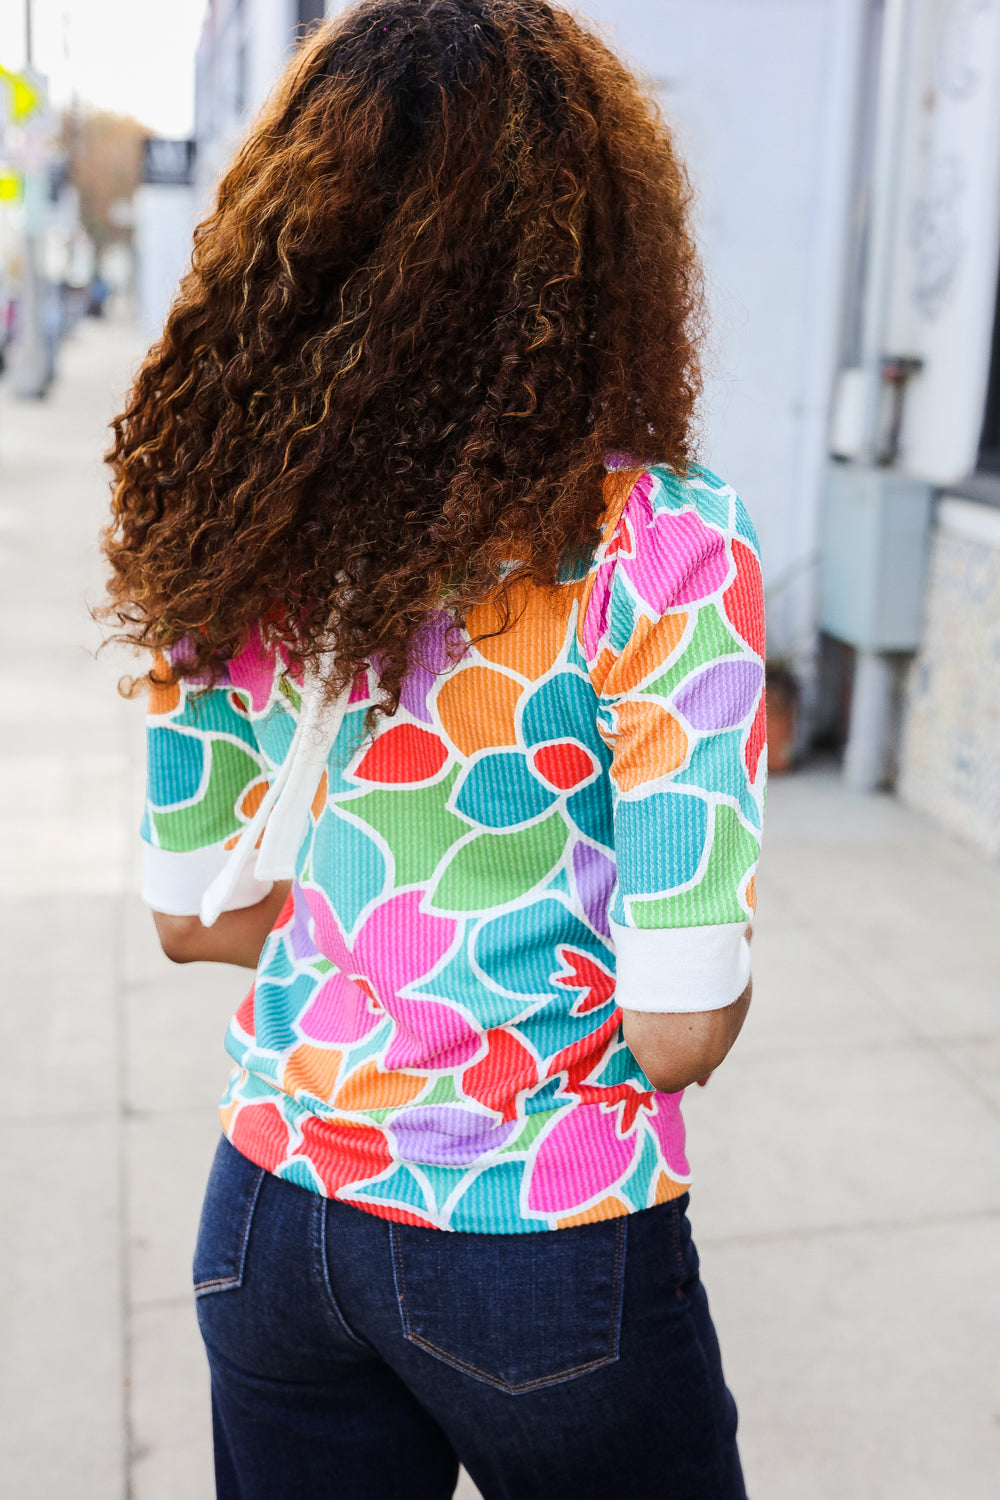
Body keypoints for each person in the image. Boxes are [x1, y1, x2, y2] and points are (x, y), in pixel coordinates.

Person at [101, 3, 765, 1496]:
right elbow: (679, 1029)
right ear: (596, 246)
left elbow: (194, 917)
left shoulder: (241, 519)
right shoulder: (658, 546)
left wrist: (368, 931)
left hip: (271, 1215)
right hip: (540, 1247)